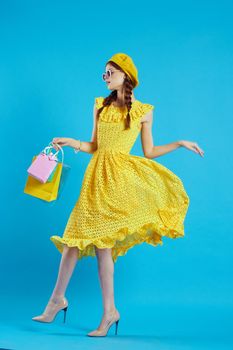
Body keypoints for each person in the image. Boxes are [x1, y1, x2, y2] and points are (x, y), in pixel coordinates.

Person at [32, 52, 204, 337]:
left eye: (110, 72)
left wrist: (179, 143)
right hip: (95, 179)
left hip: (118, 181)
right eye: (104, 73)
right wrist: (71, 141)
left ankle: (99, 310)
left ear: (126, 75)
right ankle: (66, 302)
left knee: (101, 247)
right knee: (74, 240)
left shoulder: (144, 111)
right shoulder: (99, 105)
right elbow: (94, 145)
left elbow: (149, 152)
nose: (106, 77)